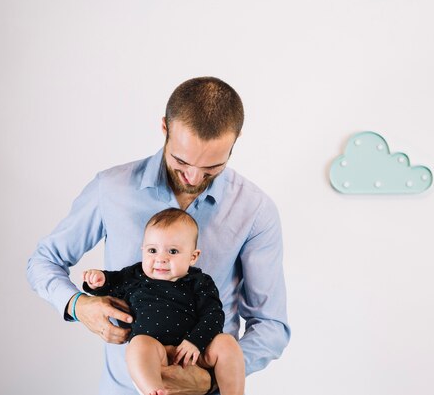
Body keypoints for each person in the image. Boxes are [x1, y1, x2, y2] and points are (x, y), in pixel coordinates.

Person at [27, 77, 290, 395]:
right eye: (181, 161)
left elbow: (271, 325)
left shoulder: (255, 210)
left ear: (235, 141)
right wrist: (78, 305)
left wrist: (211, 378)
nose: (194, 177)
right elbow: (45, 260)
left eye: (212, 167)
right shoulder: (111, 189)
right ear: (165, 128)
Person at [83, 208, 245, 395]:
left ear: (193, 257)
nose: (160, 259)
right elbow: (113, 282)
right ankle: (154, 390)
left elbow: (214, 315)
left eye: (173, 251)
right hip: (155, 353)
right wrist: (99, 281)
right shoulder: (135, 275)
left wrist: (195, 342)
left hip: (193, 353)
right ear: (142, 250)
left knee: (226, 343)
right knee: (138, 345)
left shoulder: (199, 282)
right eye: (152, 250)